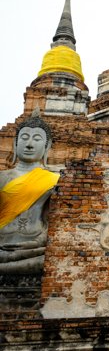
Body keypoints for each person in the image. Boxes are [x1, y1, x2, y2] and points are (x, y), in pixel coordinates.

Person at [0, 113, 59, 274]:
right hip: (2, 242)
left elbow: (53, 221)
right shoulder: (2, 177)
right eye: (24, 137)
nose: (30, 144)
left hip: (35, 248)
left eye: (37, 139)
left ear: (47, 147)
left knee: (52, 262)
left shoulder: (55, 180)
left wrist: (36, 242)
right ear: (15, 142)